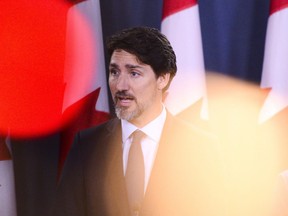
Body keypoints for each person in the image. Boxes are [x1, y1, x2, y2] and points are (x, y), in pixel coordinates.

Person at [53, 26, 226, 216]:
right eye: (114, 72)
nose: (120, 85)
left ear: (162, 79)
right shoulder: (86, 146)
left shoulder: (201, 147)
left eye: (134, 73)